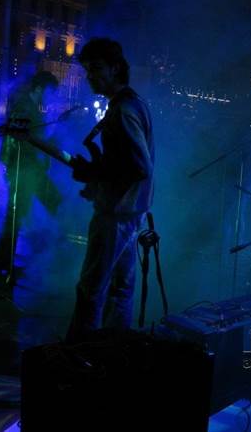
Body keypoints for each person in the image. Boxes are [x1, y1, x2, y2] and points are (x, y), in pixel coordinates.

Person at [65, 38, 154, 343]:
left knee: (91, 288)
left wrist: (94, 172)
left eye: (97, 69)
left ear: (116, 68)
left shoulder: (123, 111)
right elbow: (128, 164)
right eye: (88, 70)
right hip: (128, 211)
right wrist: (97, 178)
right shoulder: (129, 104)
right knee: (120, 288)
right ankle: (112, 355)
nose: (91, 76)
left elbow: (139, 166)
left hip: (116, 214)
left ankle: (79, 357)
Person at [0, 71, 63, 284]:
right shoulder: (24, 107)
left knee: (47, 205)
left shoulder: (28, 106)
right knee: (16, 217)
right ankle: (3, 266)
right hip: (23, 170)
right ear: (39, 88)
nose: (51, 97)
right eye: (50, 92)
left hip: (29, 170)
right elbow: (25, 140)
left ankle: (5, 264)